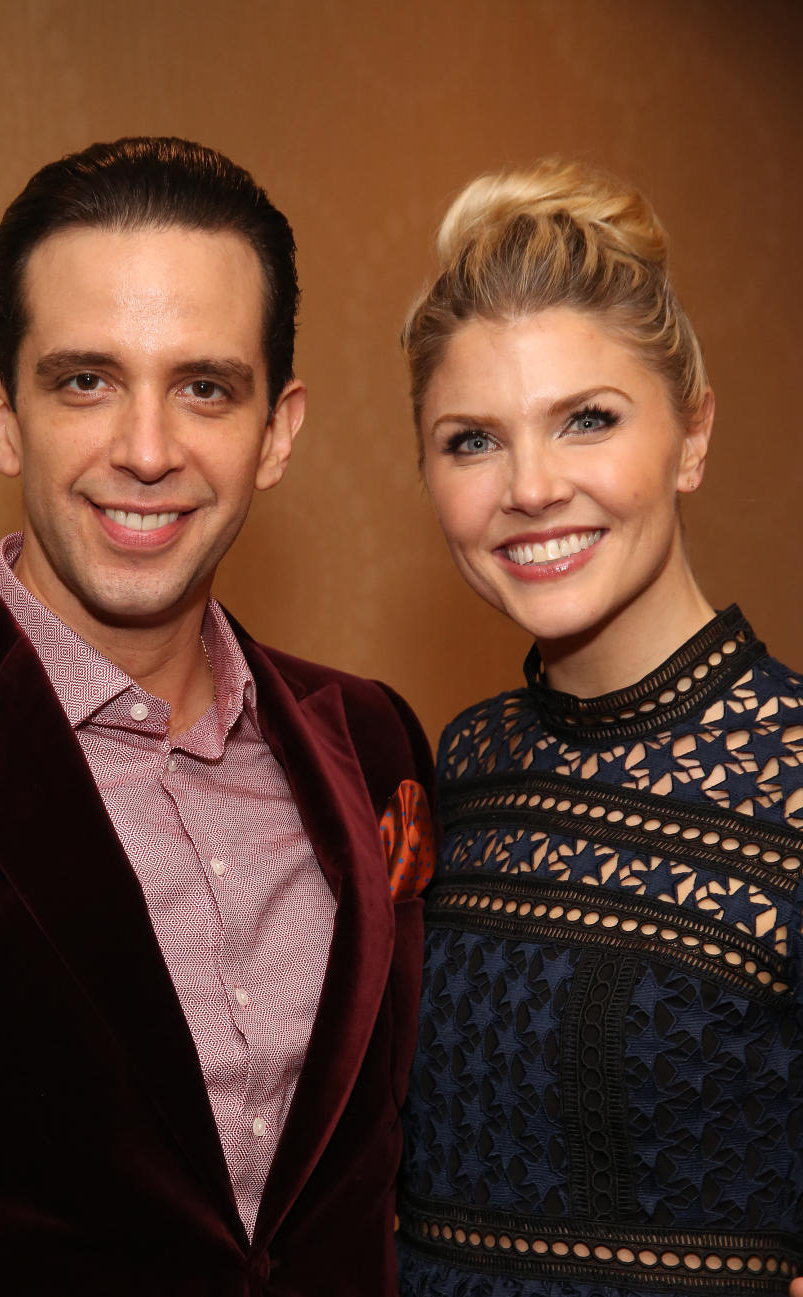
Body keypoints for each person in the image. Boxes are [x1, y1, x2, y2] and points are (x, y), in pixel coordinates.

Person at [0, 137, 434, 1297]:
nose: (148, 450)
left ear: (279, 430)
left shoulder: (371, 739)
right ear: (0, 412)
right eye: (85, 381)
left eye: (204, 387)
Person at [394, 158, 803, 1296]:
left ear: (694, 434)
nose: (529, 486)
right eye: (470, 439)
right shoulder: (458, 764)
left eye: (587, 420)